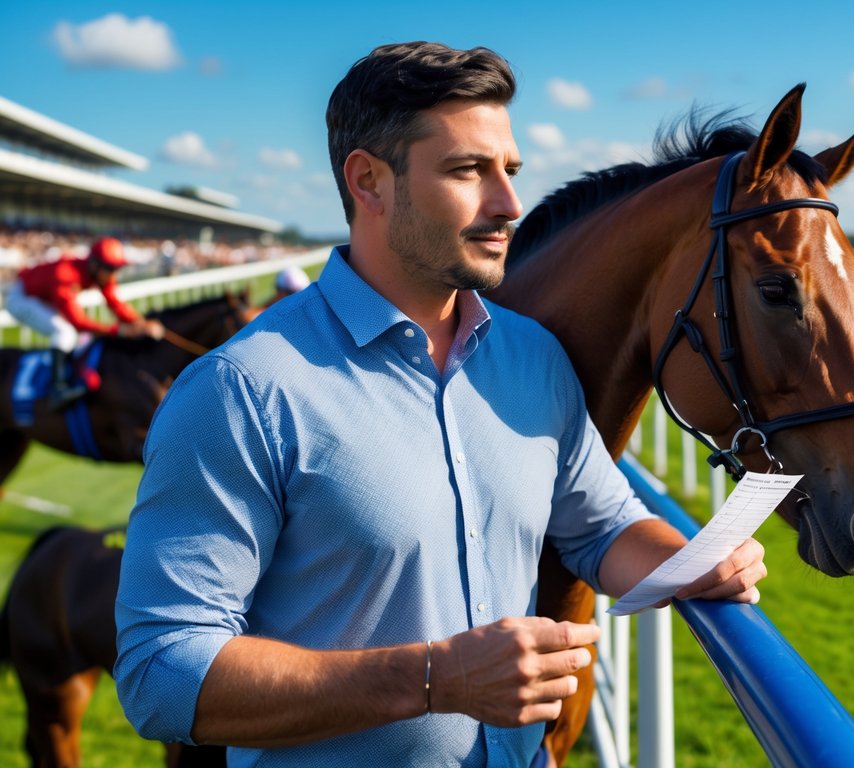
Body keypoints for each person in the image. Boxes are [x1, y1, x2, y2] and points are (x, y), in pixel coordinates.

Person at [114, 41, 768, 768]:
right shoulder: (241, 389)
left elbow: (599, 526)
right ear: (368, 182)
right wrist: (433, 680)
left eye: (510, 171)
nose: (509, 205)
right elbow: (160, 675)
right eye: (467, 171)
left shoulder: (532, 358)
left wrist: (691, 563)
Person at [5, 236, 164, 408]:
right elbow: (78, 322)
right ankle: (57, 390)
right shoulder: (65, 274)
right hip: (21, 297)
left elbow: (115, 303)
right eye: (111, 269)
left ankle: (70, 374)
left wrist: (140, 323)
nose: (114, 274)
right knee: (65, 332)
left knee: (76, 338)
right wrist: (121, 331)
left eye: (116, 269)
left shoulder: (100, 273)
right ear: (95, 265)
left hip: (43, 295)